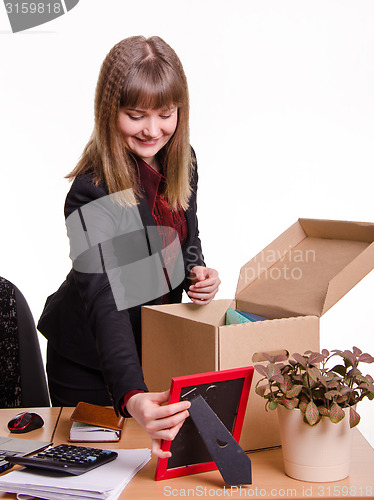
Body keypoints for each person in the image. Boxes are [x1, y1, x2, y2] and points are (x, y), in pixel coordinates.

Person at [38, 35, 220, 458]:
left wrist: (197, 269)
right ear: (109, 112)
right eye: (135, 115)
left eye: (166, 114)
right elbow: (106, 297)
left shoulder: (182, 159)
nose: (153, 130)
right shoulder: (93, 192)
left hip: (152, 348)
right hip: (88, 363)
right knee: (98, 472)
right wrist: (132, 395)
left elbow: (185, 231)